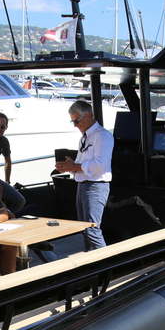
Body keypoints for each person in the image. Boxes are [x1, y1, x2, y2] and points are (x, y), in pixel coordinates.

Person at [54, 100, 114, 250]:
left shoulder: (103, 136)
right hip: (83, 185)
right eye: (72, 121)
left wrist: (74, 166)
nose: (75, 125)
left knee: (92, 229)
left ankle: (107, 265)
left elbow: (100, 165)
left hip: (95, 186)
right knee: (85, 229)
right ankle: (93, 265)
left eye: (77, 120)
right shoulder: (84, 137)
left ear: (88, 115)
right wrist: (71, 167)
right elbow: (83, 165)